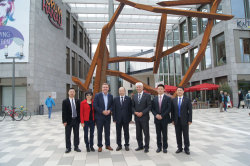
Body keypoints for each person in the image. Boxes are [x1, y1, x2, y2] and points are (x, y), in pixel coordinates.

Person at [172, 87, 192, 155]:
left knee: (186, 135)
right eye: (178, 90)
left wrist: (190, 120)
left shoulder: (187, 100)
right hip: (177, 120)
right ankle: (179, 148)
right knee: (178, 135)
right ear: (176, 92)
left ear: (183, 91)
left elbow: (190, 111)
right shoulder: (174, 100)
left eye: (180, 90)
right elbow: (172, 111)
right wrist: (172, 120)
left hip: (185, 120)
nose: (179, 91)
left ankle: (187, 148)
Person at [132, 82, 151, 153]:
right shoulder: (134, 96)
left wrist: (142, 112)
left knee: (146, 132)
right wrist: (135, 112)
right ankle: (140, 146)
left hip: (144, 117)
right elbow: (132, 106)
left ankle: (146, 147)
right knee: (138, 132)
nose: (138, 88)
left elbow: (149, 106)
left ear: (142, 88)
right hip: (137, 117)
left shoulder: (147, 95)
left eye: (139, 87)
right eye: (137, 87)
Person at [93, 83, 113, 152]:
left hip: (108, 117)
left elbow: (112, 105)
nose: (105, 88)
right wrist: (102, 111)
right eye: (104, 87)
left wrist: (110, 110)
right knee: (99, 132)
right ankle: (100, 146)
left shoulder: (110, 96)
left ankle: (107, 145)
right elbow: (95, 105)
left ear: (108, 88)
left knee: (107, 132)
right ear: (102, 88)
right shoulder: (97, 95)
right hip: (99, 117)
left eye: (106, 87)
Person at [151, 84, 171, 153]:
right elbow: (152, 109)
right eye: (158, 89)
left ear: (164, 90)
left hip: (164, 118)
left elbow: (169, 109)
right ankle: (159, 147)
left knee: (165, 134)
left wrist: (162, 115)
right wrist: (156, 115)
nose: (160, 90)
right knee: (158, 134)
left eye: (161, 89)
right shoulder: (154, 98)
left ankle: (165, 147)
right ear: (157, 90)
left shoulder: (167, 98)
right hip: (157, 119)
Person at [112, 87, 132, 151]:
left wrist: (130, 119)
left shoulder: (128, 99)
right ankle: (119, 145)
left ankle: (126, 145)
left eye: (122, 91)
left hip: (126, 119)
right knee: (118, 133)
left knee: (126, 132)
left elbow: (130, 110)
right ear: (118, 91)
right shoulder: (115, 99)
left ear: (125, 91)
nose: (121, 92)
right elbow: (114, 109)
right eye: (120, 91)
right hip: (118, 119)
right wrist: (114, 119)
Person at [62, 88, 81, 153]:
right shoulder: (65, 101)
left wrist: (79, 120)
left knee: (76, 134)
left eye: (73, 91)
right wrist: (64, 121)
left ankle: (76, 147)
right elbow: (63, 112)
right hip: (68, 121)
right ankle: (68, 148)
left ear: (75, 93)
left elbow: (79, 111)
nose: (72, 93)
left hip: (76, 120)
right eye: (71, 92)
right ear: (68, 93)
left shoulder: (78, 101)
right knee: (68, 135)